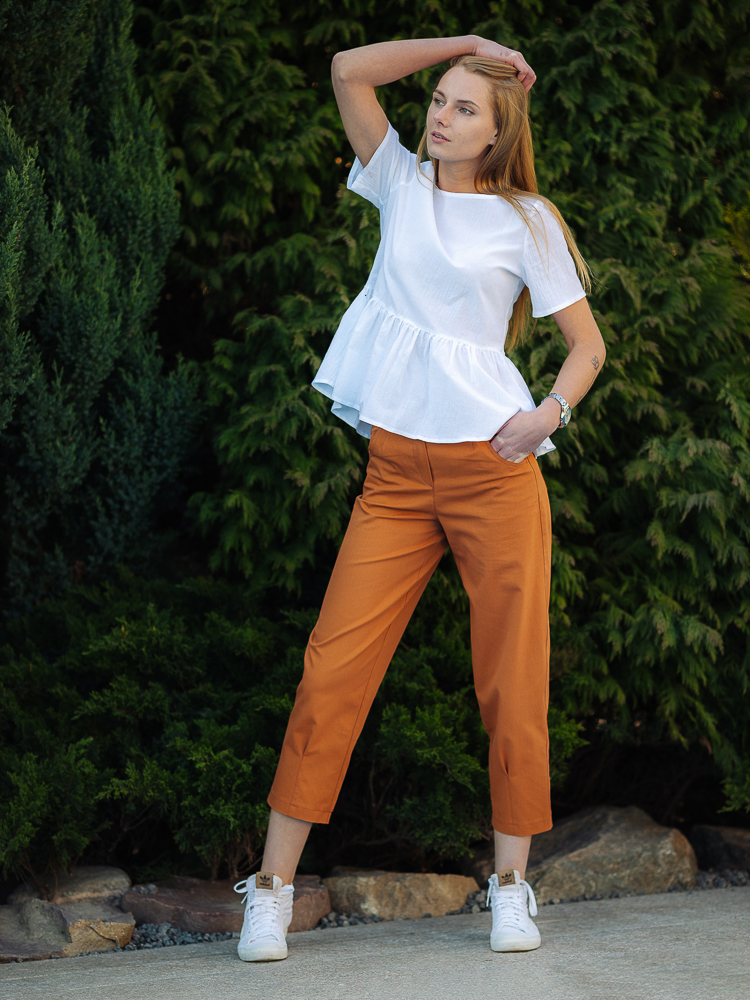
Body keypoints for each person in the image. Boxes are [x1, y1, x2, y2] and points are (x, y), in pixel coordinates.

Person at [232, 34, 606, 961]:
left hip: (494, 472)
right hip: (396, 476)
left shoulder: (528, 220)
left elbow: (587, 345)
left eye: (464, 106)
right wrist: (470, 46)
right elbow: (347, 71)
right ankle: (271, 890)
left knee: (512, 680)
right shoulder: (397, 180)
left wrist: (547, 413)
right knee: (331, 671)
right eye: (439, 99)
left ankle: (510, 887)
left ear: (497, 131)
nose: (441, 115)